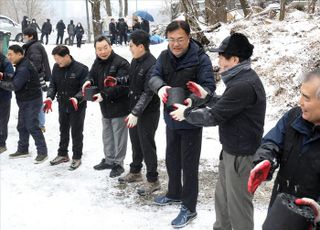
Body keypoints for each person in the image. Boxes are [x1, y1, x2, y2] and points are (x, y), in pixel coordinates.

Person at [169, 32, 266, 230]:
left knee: (238, 208)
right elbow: (227, 104)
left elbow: (214, 116)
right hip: (231, 151)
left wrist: (186, 113)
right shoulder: (240, 79)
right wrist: (206, 96)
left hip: (241, 156)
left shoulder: (243, 84)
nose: (219, 60)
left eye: (222, 56)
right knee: (222, 202)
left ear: (235, 60)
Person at [148, 20, 215, 228]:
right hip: (170, 118)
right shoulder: (164, 56)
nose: (175, 44)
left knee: (189, 165)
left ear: (189, 37)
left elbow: (208, 88)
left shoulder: (200, 59)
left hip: (190, 120)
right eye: (171, 40)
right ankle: (174, 192)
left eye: (180, 40)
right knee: (172, 159)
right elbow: (153, 76)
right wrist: (159, 88)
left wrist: (191, 101)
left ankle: (189, 207)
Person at [248, 69, 320, 229]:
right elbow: (272, 142)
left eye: (306, 98)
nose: (300, 102)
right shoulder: (294, 117)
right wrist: (265, 160)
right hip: (280, 211)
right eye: (301, 94)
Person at [108, 30, 161, 196]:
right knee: (136, 142)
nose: (129, 48)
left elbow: (148, 92)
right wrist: (118, 80)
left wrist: (136, 113)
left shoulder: (152, 65)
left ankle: (153, 180)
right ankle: (136, 171)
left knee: (147, 144)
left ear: (141, 46)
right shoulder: (135, 60)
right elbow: (132, 79)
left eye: (131, 45)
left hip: (148, 112)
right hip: (134, 110)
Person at [82, 35, 130, 178]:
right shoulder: (97, 63)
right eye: (99, 49)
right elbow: (90, 75)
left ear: (110, 46)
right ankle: (109, 160)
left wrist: (103, 95)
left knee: (119, 136)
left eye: (105, 48)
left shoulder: (121, 63)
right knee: (107, 135)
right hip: (105, 107)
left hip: (120, 106)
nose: (102, 52)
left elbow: (123, 86)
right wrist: (88, 82)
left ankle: (118, 163)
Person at [0, 45, 48, 163]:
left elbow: (15, 85)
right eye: (8, 54)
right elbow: (16, 78)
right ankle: (23, 149)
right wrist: (4, 75)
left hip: (31, 101)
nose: (9, 57)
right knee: (21, 126)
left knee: (32, 126)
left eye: (11, 54)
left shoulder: (24, 67)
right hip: (25, 101)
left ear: (19, 54)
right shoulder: (22, 65)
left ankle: (43, 152)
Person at [44, 45, 88, 170]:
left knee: (76, 131)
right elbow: (53, 85)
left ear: (67, 56)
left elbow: (85, 89)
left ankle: (77, 157)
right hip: (62, 104)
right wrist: (49, 97)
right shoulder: (56, 67)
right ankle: (63, 154)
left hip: (77, 106)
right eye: (55, 59)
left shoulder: (81, 69)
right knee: (63, 129)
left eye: (58, 59)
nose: (57, 62)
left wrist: (77, 98)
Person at [22, 27, 51, 133]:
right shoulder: (33, 46)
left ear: (31, 36)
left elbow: (35, 66)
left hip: (35, 80)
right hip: (35, 79)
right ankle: (38, 123)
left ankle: (40, 124)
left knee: (37, 102)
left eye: (25, 35)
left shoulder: (34, 47)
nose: (23, 37)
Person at [0, 52, 14, 154]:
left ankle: (2, 144)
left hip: (3, 96)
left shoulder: (5, 61)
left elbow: (11, 77)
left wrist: (2, 75)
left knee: (2, 121)